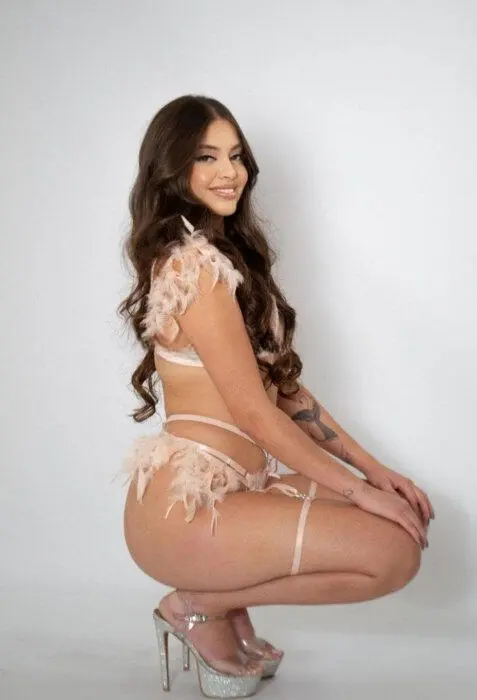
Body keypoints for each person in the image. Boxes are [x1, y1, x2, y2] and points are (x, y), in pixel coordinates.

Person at [116, 94, 435, 698]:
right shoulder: (192, 268)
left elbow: (284, 392)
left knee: (401, 529)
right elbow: (254, 414)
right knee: (392, 554)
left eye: (236, 156)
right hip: (187, 511)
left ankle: (221, 603)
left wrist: (376, 472)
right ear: (172, 168)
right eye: (206, 156)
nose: (228, 172)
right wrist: (358, 490)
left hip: (237, 491)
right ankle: (200, 605)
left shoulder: (221, 261)